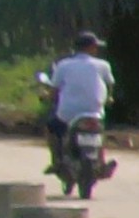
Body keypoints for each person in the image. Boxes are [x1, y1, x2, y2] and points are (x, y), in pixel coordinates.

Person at [45, 31, 114, 170]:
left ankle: (56, 160)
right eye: (95, 47)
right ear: (89, 48)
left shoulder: (63, 65)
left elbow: (54, 90)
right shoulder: (103, 65)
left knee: (51, 128)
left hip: (68, 113)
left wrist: (48, 97)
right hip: (95, 112)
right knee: (100, 132)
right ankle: (102, 161)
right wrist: (109, 98)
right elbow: (110, 86)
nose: (96, 50)